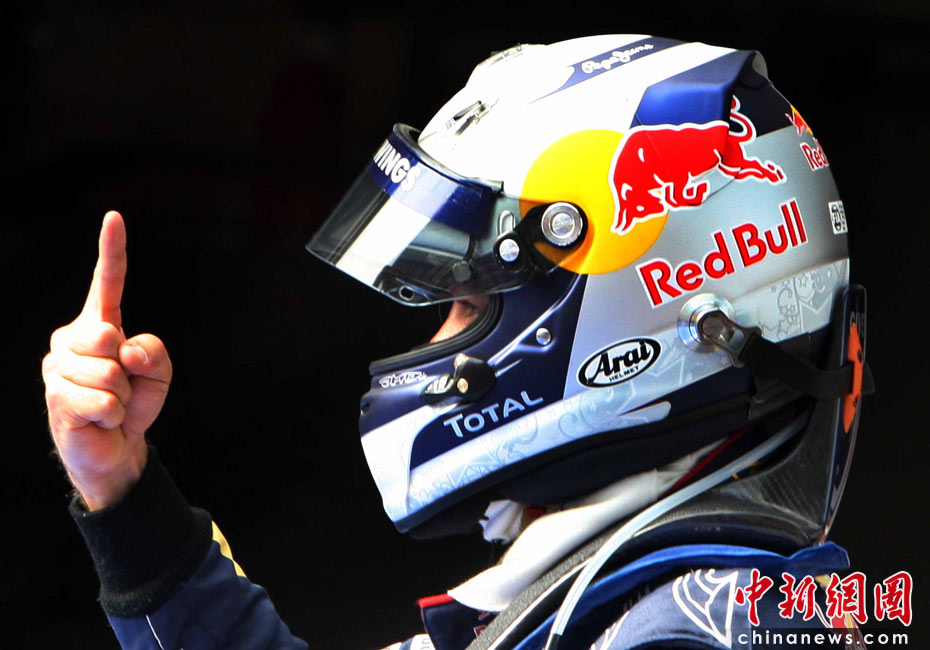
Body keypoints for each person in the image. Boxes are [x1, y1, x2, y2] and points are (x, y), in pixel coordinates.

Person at [42, 35, 871, 649]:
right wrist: (121, 489)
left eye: (469, 304)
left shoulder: (720, 624)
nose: (440, 339)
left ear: (658, 307)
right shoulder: (608, 598)